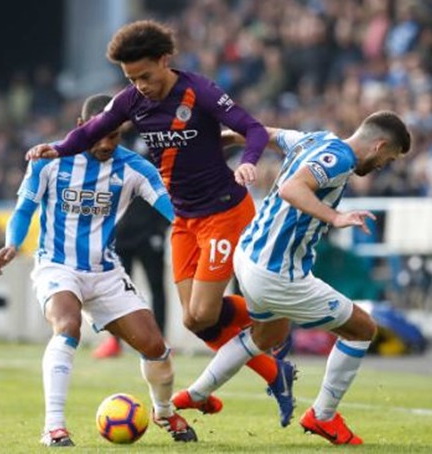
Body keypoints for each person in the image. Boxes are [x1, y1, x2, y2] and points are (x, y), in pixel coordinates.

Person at [25, 20, 296, 427]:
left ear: (165, 60)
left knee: (205, 313)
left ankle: (277, 316)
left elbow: (253, 129)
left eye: (145, 76)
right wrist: (57, 148)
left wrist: (249, 164)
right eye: (131, 78)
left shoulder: (198, 90)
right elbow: (91, 130)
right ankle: (277, 365)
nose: (141, 86)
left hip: (225, 211)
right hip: (186, 220)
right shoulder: (131, 100)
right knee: (194, 320)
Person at [179, 111, 411, 445]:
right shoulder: (340, 158)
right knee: (362, 329)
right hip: (276, 272)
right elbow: (292, 188)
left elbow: (266, 133)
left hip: (249, 256)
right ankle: (323, 416)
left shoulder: (314, 138)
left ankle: (197, 393)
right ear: (379, 145)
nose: (381, 166)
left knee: (266, 335)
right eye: (386, 159)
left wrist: (226, 137)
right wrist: (335, 216)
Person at [0, 94, 198, 447]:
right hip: (57, 266)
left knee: (155, 346)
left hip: (105, 272)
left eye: (114, 136)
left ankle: (163, 411)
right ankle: (54, 427)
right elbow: (25, 208)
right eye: (99, 134)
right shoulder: (48, 160)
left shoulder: (134, 167)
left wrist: (203, 233)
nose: (106, 143)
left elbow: (173, 211)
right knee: (67, 325)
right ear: (80, 127)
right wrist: (12, 242)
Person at [92, 194, 171, 359]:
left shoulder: (151, 169)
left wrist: (161, 229)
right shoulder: (113, 169)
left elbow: (164, 196)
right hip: (120, 237)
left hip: (149, 235)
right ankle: (115, 341)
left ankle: (161, 338)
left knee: (156, 287)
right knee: (116, 290)